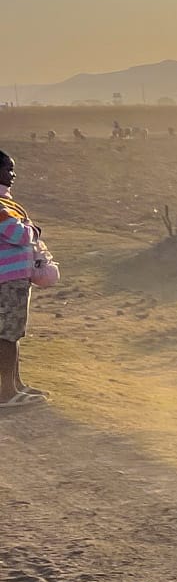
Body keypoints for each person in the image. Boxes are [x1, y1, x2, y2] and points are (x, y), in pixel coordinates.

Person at [0, 151, 52, 408]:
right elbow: (18, 235)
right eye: (8, 169)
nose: (13, 175)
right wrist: (33, 229)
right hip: (8, 280)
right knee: (8, 336)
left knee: (12, 334)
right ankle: (6, 393)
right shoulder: (0, 207)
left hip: (11, 278)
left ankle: (14, 386)